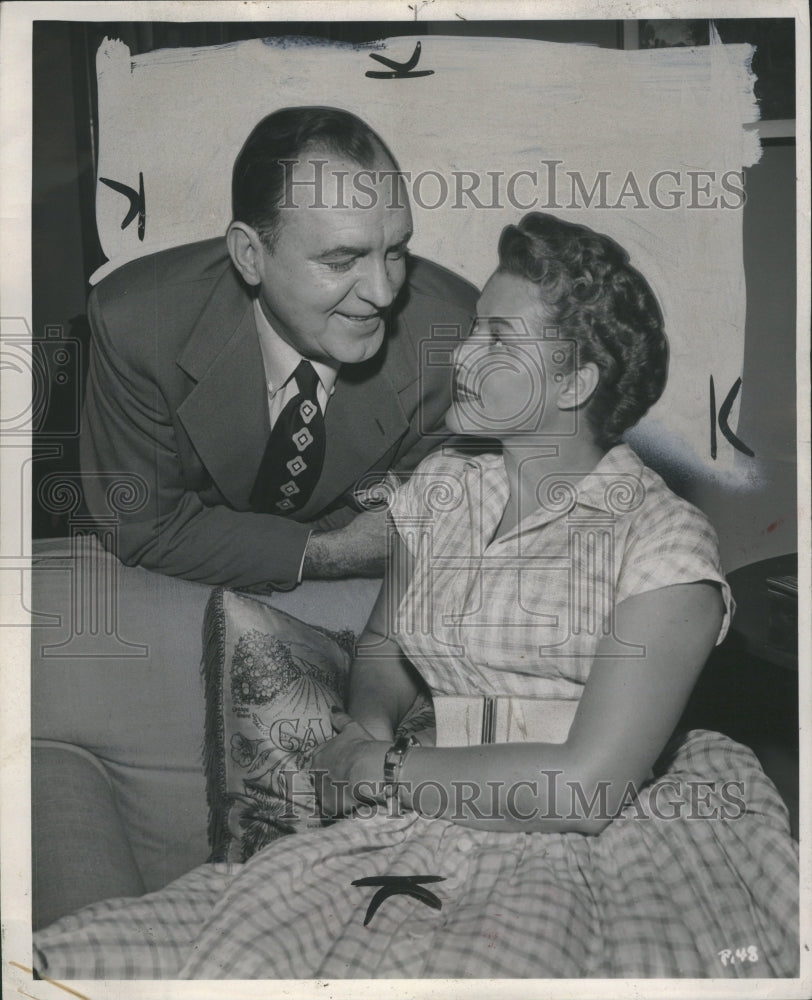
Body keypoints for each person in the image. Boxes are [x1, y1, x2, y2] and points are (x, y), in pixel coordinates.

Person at [35, 213, 798, 978]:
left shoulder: (665, 540)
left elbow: (587, 790)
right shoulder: (444, 489)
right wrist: (365, 725)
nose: (460, 356)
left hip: (596, 851)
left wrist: (383, 770)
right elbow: (383, 644)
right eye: (472, 330)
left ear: (574, 381)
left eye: (497, 339)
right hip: (419, 818)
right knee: (89, 960)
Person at [80, 106, 477, 589]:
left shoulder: (458, 340)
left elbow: (404, 528)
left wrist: (236, 540)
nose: (383, 292)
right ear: (250, 256)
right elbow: (145, 527)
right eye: (340, 261)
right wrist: (329, 553)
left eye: (395, 251)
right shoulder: (138, 326)